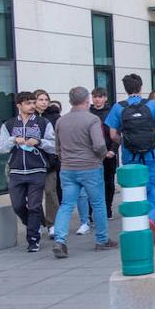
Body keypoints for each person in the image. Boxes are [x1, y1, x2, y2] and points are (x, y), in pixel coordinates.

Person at [51, 87, 117, 257]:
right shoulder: (92, 119)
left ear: (70, 100)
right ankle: (102, 239)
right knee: (98, 203)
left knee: (66, 204)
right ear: (87, 100)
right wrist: (102, 156)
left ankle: (60, 240)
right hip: (90, 166)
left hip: (67, 168)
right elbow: (99, 144)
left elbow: (57, 147)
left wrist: (64, 158)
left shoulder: (61, 121)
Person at [105, 74, 155, 241]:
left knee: (134, 188)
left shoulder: (118, 107)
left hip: (130, 155)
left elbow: (112, 134)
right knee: (154, 187)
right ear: (140, 87)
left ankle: (137, 220)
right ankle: (152, 218)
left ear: (125, 88)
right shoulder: (153, 105)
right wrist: (154, 143)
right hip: (152, 153)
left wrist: (124, 142)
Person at [0, 91, 55, 252]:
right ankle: (34, 225)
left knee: (35, 206)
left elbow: (54, 145)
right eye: (28, 103)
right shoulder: (8, 124)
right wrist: (13, 140)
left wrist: (40, 142)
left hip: (37, 170)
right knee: (18, 205)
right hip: (16, 172)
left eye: (32, 103)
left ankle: (33, 239)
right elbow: (0, 147)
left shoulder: (43, 123)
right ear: (19, 106)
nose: (32, 106)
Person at [33, 89, 63, 232]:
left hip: (50, 161)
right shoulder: (28, 117)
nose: (44, 102)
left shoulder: (54, 117)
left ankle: (53, 223)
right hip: (32, 162)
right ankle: (38, 222)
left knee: (51, 192)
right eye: (41, 100)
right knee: (34, 195)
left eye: (46, 100)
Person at [90, 88, 117, 219]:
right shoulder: (88, 112)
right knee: (92, 183)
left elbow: (116, 133)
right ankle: (90, 212)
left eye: (100, 97)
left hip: (108, 153)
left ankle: (107, 209)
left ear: (105, 98)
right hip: (92, 154)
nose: (97, 99)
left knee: (108, 182)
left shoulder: (111, 112)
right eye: (95, 97)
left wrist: (113, 150)